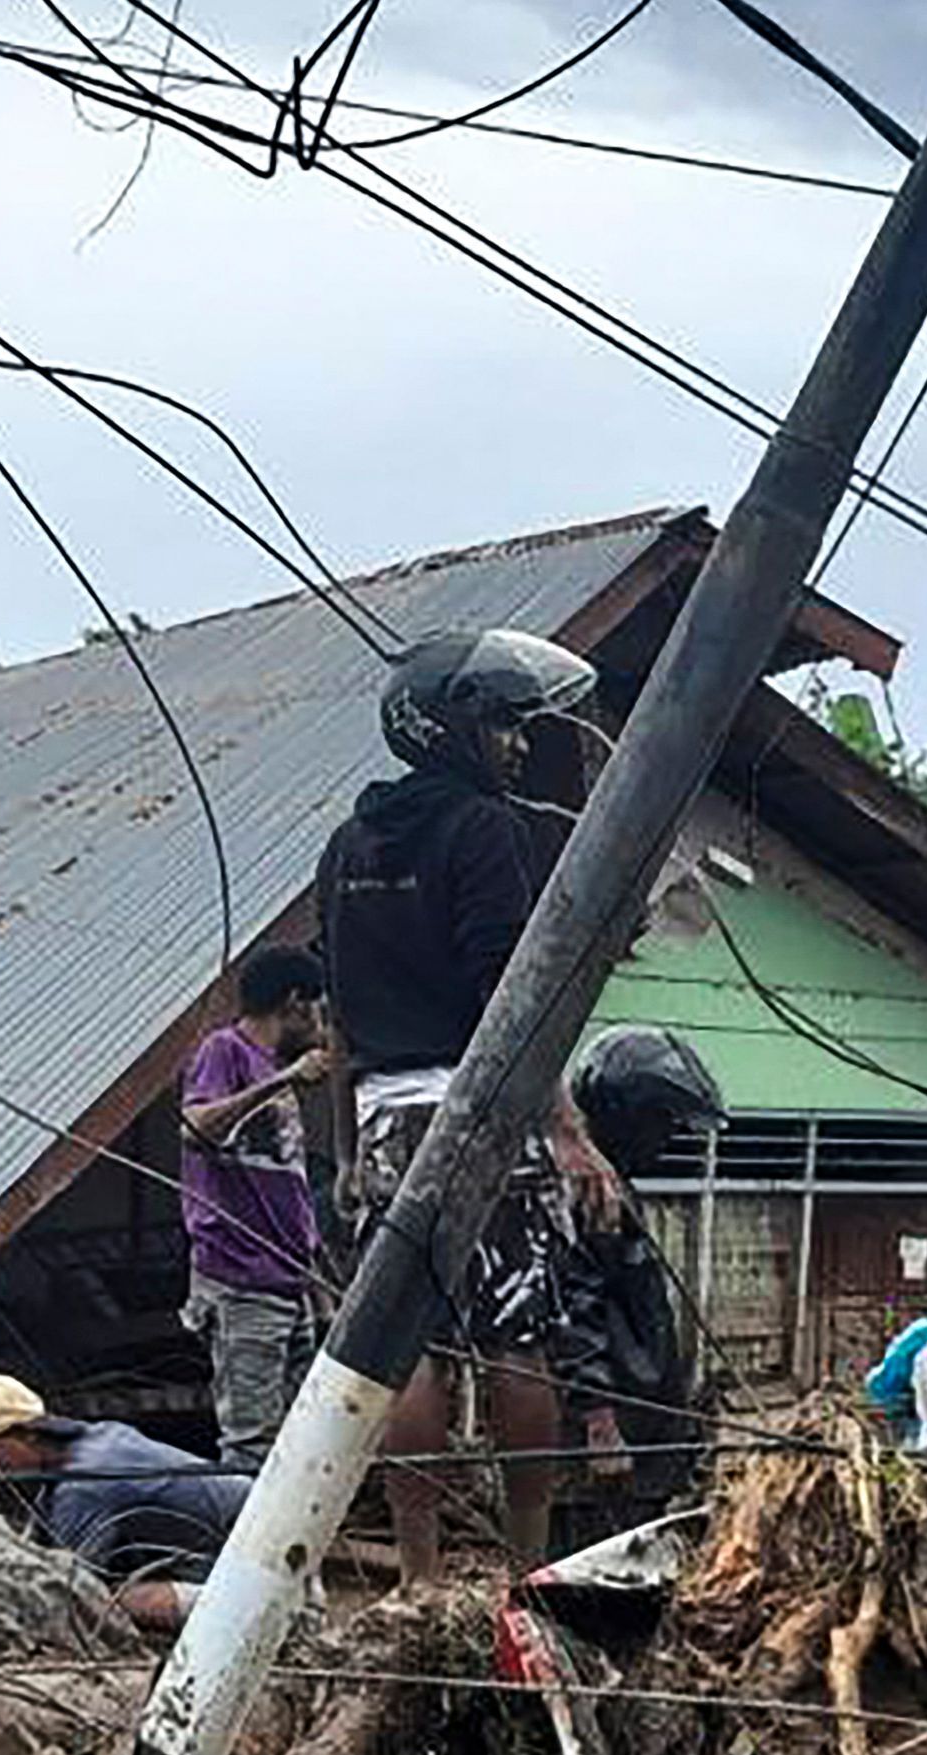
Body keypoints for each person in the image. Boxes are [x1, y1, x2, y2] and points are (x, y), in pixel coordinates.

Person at [319, 629, 623, 1588]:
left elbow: (338, 1016)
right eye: (500, 725)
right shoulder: (483, 830)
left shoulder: (348, 844)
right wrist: (566, 1129)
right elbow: (514, 996)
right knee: (515, 1337)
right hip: (480, 1113)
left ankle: (420, 1576)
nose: (517, 746)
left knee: (404, 1350)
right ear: (449, 727)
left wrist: (343, 1150)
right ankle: (527, 1566)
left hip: (380, 1120)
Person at [548, 1025, 726, 1529]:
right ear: (623, 1115)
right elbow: (572, 1310)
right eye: (662, 1123)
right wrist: (599, 1423)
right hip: (599, 1459)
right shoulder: (584, 1193)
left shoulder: (615, 1186)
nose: (669, 1139)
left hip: (642, 1445)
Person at [0, 1373, 252, 1630]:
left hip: (261, 1565)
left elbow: (68, 1587)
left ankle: (276, 1620)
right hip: (240, 1539)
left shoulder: (85, 1485)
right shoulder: (99, 1437)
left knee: (111, 1603)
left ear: (26, 1434)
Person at [179, 944, 332, 1466]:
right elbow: (195, 1126)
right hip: (240, 1280)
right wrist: (284, 1080)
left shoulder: (272, 1068)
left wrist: (315, 1278)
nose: (322, 1026)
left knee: (299, 1443)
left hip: (288, 1282)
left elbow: (288, 1190)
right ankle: (239, 1547)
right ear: (294, 1003)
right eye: (318, 1010)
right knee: (250, 1444)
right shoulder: (225, 1051)